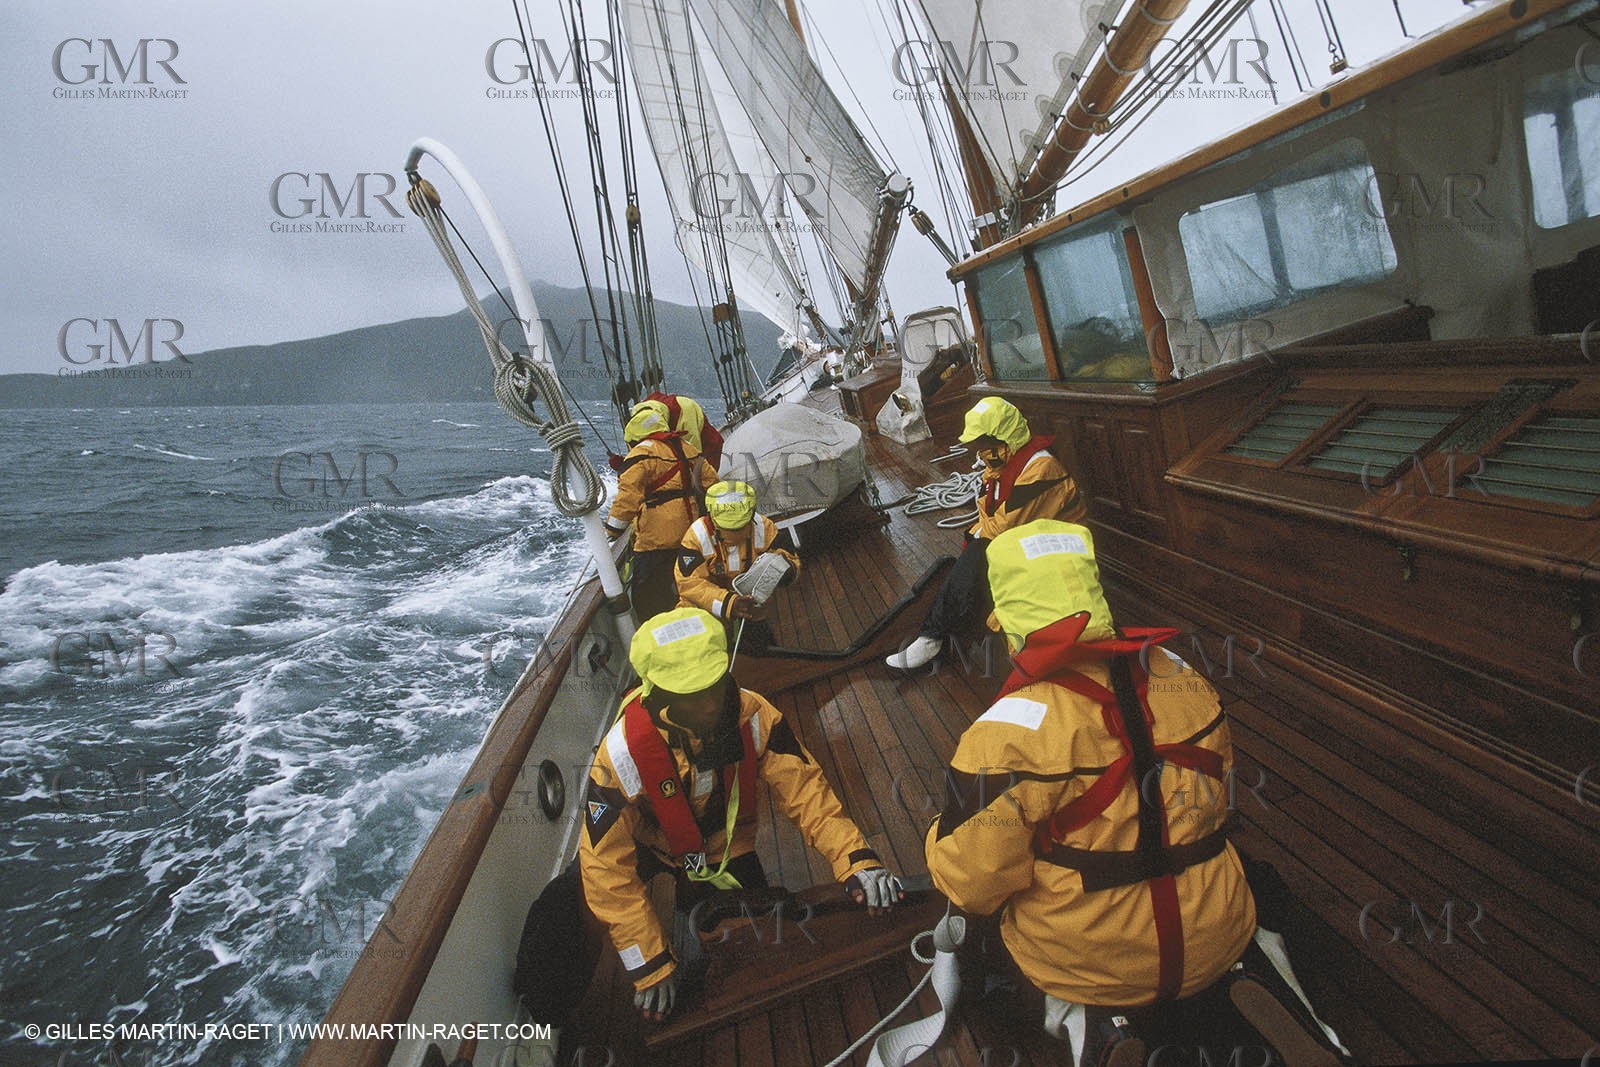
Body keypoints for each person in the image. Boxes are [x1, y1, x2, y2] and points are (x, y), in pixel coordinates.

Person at [924, 521, 1344, 1066]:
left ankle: (1093, 1023)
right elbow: (1217, 805)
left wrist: (939, 837)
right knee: (1234, 884)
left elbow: (973, 884)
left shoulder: (1000, 739)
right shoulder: (1188, 682)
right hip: (1214, 929)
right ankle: (1262, 972)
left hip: (1099, 961)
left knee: (995, 931)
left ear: (1007, 621)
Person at [514, 607, 903, 1043]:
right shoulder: (620, 756)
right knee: (563, 905)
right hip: (650, 849)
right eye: (689, 695)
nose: (708, 705)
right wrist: (648, 961)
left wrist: (856, 858)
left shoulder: (756, 718)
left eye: (713, 688)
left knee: (759, 942)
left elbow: (808, 794)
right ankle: (543, 1017)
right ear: (657, 696)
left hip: (722, 850)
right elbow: (604, 862)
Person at [886, 396, 1085, 670]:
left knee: (980, 552)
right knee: (976, 551)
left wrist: (976, 538)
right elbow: (987, 515)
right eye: (978, 446)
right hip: (1029, 538)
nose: (980, 452)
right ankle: (943, 629)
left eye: (984, 444)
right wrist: (976, 535)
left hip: (1060, 545)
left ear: (1005, 439)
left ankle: (933, 636)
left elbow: (1003, 526)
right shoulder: (1000, 468)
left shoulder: (1041, 469)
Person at [605, 399, 720, 621]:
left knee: (648, 596)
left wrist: (612, 531)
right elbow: (712, 483)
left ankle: (661, 628)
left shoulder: (639, 455)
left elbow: (627, 498)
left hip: (656, 541)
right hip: (690, 534)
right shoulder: (687, 448)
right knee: (691, 583)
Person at [675, 480, 800, 653]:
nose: (734, 533)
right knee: (709, 653)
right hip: (707, 608)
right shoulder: (697, 537)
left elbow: (790, 559)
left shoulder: (764, 527)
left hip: (751, 607)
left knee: (762, 649)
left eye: (740, 526)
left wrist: (787, 571)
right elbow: (689, 583)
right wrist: (729, 603)